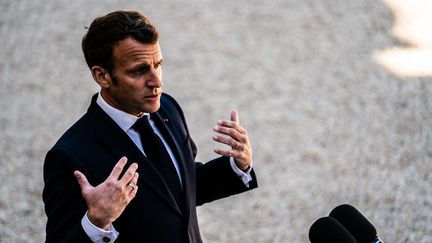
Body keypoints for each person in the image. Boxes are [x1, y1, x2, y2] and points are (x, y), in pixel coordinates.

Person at [42, 10, 258, 243]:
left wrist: (237, 166)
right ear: (102, 76)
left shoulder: (167, 108)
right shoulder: (70, 156)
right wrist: (96, 223)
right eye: (140, 70)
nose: (157, 82)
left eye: (158, 65)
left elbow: (177, 189)